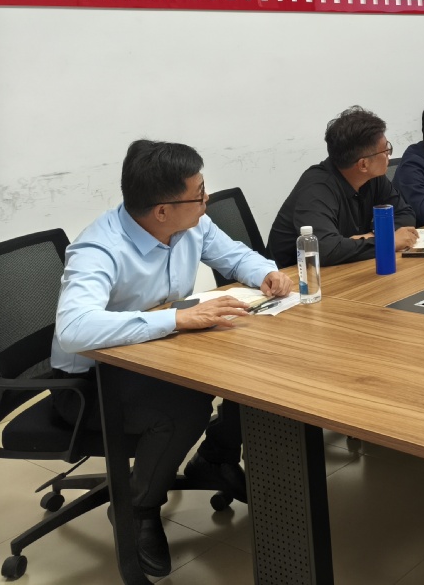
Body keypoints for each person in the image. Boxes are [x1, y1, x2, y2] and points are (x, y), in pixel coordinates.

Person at [50, 140, 292, 578]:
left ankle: (215, 458)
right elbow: (74, 330)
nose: (206, 200)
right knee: (185, 408)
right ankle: (138, 507)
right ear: (162, 210)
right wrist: (176, 320)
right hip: (92, 382)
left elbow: (234, 254)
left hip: (156, 354)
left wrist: (266, 273)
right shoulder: (99, 248)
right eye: (199, 194)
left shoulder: (191, 224)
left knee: (254, 366)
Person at [268, 106, 417, 266]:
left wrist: (373, 236)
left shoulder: (373, 178)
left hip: (347, 267)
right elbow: (326, 250)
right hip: (295, 276)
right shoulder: (317, 188)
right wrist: (387, 243)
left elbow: (405, 213)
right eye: (385, 150)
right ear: (363, 164)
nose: (389, 154)